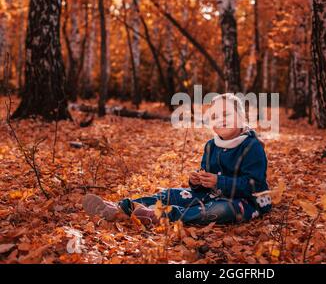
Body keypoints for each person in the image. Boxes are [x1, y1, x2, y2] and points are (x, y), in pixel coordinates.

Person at [82, 93, 272, 226]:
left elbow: (255, 185)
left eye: (226, 114)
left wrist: (218, 181)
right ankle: (123, 207)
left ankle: (161, 215)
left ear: (241, 117)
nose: (220, 120)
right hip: (212, 193)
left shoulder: (252, 146)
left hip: (245, 202)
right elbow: (203, 181)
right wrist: (197, 181)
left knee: (222, 210)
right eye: (214, 116)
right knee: (172, 193)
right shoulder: (211, 145)